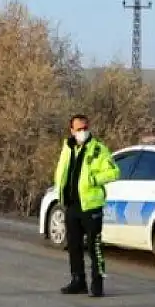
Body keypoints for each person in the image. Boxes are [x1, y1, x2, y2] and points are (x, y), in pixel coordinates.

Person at [52, 114, 121, 297]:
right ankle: (77, 280)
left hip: (91, 206)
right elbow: (62, 172)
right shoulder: (67, 149)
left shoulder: (98, 149)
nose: (82, 132)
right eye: (79, 129)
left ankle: (97, 284)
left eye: (85, 128)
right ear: (72, 130)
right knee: (74, 246)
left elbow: (114, 172)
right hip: (72, 205)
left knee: (94, 246)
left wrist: (94, 179)